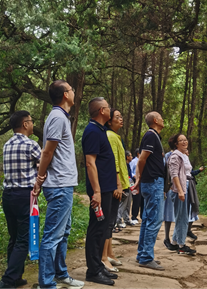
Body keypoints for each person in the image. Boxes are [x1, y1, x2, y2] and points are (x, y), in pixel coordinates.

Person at [32, 80, 84, 289]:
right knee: (53, 236)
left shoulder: (62, 117)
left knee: (63, 232)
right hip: (59, 185)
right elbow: (47, 151)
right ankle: (46, 283)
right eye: (71, 89)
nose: (74, 92)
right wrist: (39, 179)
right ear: (65, 94)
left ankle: (61, 274)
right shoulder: (56, 117)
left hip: (65, 184)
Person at [0, 111, 41, 289]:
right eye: (31, 121)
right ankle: (7, 281)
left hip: (8, 195)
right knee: (23, 239)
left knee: (14, 238)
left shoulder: (7, 145)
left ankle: (16, 277)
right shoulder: (31, 145)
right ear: (25, 124)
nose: (32, 124)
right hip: (24, 195)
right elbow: (45, 163)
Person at [82, 97, 118, 286]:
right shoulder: (92, 131)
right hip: (99, 190)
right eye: (108, 107)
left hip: (106, 189)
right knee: (96, 229)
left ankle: (98, 265)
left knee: (102, 228)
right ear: (102, 111)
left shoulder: (101, 130)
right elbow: (90, 162)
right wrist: (96, 191)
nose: (110, 109)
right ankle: (93, 270)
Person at [135, 112, 166, 270]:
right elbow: (142, 159)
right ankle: (146, 257)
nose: (163, 119)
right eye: (160, 117)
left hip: (152, 182)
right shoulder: (151, 135)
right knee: (154, 220)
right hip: (153, 182)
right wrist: (138, 178)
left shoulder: (154, 137)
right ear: (155, 121)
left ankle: (142, 254)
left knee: (147, 219)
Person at [102, 108, 129, 272]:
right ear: (109, 121)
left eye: (121, 116)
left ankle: (109, 253)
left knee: (111, 222)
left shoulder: (115, 136)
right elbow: (114, 163)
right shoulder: (110, 136)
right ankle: (103, 257)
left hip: (117, 183)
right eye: (117, 117)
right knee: (108, 222)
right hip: (113, 184)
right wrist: (118, 184)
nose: (121, 119)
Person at [166, 134, 197, 255]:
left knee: (182, 216)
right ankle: (181, 246)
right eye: (181, 140)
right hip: (180, 189)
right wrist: (180, 191)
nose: (184, 142)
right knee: (182, 217)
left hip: (188, 186)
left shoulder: (184, 155)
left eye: (185, 139)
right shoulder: (175, 156)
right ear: (176, 143)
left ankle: (174, 243)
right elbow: (174, 175)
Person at [117, 151, 135, 227]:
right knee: (122, 204)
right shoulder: (123, 165)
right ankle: (118, 220)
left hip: (129, 185)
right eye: (130, 156)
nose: (131, 157)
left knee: (128, 204)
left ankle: (127, 218)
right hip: (124, 187)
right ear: (127, 157)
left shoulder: (128, 165)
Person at [130, 148, 142, 224]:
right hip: (135, 181)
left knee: (141, 199)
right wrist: (134, 176)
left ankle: (140, 216)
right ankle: (134, 216)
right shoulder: (134, 161)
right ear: (138, 153)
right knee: (136, 199)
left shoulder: (142, 160)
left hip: (142, 181)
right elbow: (130, 171)